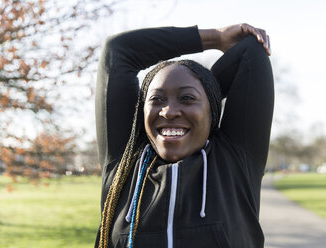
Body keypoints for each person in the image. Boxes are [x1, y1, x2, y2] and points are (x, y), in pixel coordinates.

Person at [94, 23, 274, 248]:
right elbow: (117, 51)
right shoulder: (124, 164)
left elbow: (251, 52)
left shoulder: (234, 161)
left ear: (211, 110)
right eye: (156, 100)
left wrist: (207, 89)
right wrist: (215, 38)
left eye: (187, 98)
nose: (168, 111)